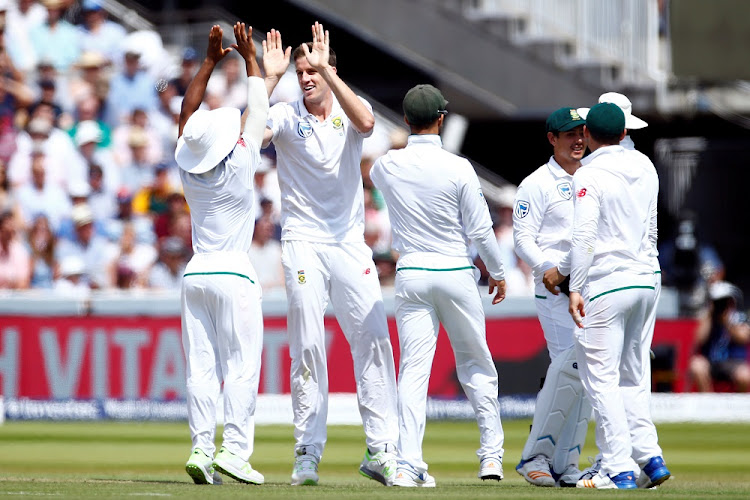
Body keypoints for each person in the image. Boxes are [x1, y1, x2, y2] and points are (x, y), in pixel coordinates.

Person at [262, 23, 399, 486]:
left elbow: (366, 123)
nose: (306, 78)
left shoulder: (347, 110)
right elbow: (253, 134)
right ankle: (306, 452)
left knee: (375, 338)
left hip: (348, 241)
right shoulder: (282, 114)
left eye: (313, 70)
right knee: (306, 343)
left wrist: (330, 74)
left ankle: (381, 449)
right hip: (302, 241)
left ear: (330, 70)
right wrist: (266, 80)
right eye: (300, 71)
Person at [370, 84, 507, 487]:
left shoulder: (388, 166)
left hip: (412, 273)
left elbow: (379, 162)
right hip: (453, 271)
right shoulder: (459, 166)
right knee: (476, 364)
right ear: (442, 120)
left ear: (407, 121)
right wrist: (498, 273)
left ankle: (409, 462)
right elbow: (481, 230)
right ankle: (491, 458)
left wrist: (400, 140)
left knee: (413, 372)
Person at [545, 103, 670, 489]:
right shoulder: (645, 165)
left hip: (607, 284)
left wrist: (574, 285)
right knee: (632, 376)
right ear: (623, 133)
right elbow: (650, 228)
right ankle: (650, 458)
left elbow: (584, 237)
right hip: (645, 279)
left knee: (601, 380)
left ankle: (617, 467)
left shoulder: (590, 173)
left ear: (588, 135)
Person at [176, 22, 268, 486]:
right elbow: (259, 107)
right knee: (241, 366)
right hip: (234, 273)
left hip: (195, 276)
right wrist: (250, 58)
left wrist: (210, 60)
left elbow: (187, 115)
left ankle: (200, 447)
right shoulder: (241, 163)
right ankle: (233, 451)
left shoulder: (189, 172)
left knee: (202, 369)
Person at [512, 107, 592, 487]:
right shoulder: (536, 183)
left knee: (587, 377)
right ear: (552, 138)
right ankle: (537, 456)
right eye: (569, 134)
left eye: (582, 133)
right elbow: (522, 237)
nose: (577, 140)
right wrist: (547, 268)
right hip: (555, 289)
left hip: (591, 289)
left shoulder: (595, 176)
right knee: (567, 370)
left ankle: (568, 463)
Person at [689, 281, 750, 392]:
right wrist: (709, 313)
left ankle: (737, 406)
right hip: (711, 362)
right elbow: (699, 339)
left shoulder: (739, 317)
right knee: (696, 365)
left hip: (733, 362)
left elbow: (743, 338)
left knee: (745, 375)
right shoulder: (708, 318)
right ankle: (708, 402)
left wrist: (727, 322)